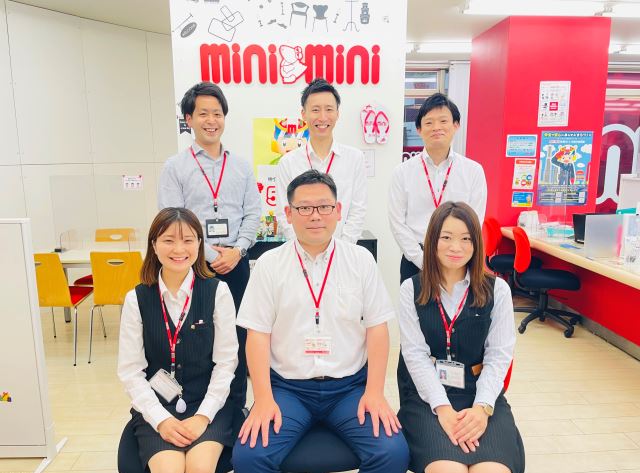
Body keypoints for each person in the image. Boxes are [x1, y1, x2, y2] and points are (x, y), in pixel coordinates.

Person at [232, 170, 409, 473]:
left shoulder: (360, 260)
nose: (315, 215)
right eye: (304, 207)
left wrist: (374, 392)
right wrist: (263, 399)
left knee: (392, 454)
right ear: (288, 213)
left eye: (324, 206)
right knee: (249, 458)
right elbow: (257, 335)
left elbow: (377, 329)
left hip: (349, 388)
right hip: (288, 389)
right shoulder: (270, 265)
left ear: (338, 210)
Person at [396, 201, 525, 473]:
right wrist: (442, 409)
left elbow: (499, 356)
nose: (456, 247)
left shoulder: (497, 290)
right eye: (446, 237)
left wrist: (482, 409)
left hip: (480, 394)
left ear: (477, 243)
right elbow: (415, 356)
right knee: (448, 472)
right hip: (428, 397)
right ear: (432, 240)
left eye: (466, 239)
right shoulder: (411, 289)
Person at [158, 82, 261, 408]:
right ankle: (199, 405)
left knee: (239, 335)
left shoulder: (241, 166)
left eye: (217, 113)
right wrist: (213, 254)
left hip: (236, 264)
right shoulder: (175, 167)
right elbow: (173, 220)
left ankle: (237, 406)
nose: (211, 120)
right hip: (193, 265)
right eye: (203, 114)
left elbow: (253, 213)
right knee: (197, 337)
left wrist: (238, 251)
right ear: (189, 119)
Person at [117, 207, 240, 473]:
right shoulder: (136, 298)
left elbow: (226, 363)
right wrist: (161, 419)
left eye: (188, 240)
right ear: (154, 245)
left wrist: (203, 416)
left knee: (199, 470)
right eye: (169, 240)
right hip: (157, 406)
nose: (179, 249)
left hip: (209, 404)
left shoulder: (217, 292)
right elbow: (130, 371)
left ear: (199, 244)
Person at [388, 93, 487, 284]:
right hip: (416, 260)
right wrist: (422, 260)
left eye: (443, 121)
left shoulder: (473, 171)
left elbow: (475, 220)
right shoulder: (402, 172)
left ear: (456, 125)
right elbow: (397, 222)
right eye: (429, 122)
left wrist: (455, 255)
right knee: (414, 304)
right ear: (419, 129)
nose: (436, 127)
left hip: (458, 258)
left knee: (460, 304)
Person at [275, 78, 367, 243]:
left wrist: (341, 250)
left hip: (343, 250)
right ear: (304, 114)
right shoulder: (288, 163)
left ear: (337, 113)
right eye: (315, 110)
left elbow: (357, 210)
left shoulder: (355, 158)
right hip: (300, 251)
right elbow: (284, 213)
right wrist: (303, 248)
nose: (323, 117)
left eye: (329, 109)